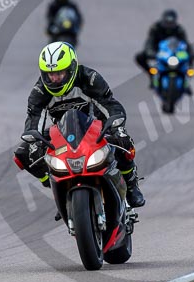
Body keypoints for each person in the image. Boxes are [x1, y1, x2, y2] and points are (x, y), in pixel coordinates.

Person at [14, 41, 146, 209]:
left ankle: (132, 186)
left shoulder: (89, 78)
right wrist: (34, 141)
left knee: (123, 141)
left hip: (96, 126)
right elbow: (34, 118)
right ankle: (55, 186)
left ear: (72, 68)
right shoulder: (40, 91)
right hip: (62, 132)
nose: (53, 79)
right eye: (49, 74)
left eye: (59, 73)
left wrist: (117, 126)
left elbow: (109, 104)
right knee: (24, 153)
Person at [134, 9, 194, 80]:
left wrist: (191, 53)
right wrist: (150, 51)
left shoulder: (179, 30)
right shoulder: (155, 28)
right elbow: (150, 42)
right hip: (159, 52)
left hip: (175, 54)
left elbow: (185, 43)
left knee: (189, 62)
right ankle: (151, 75)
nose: (169, 24)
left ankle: (185, 80)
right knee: (139, 57)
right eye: (167, 22)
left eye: (171, 22)